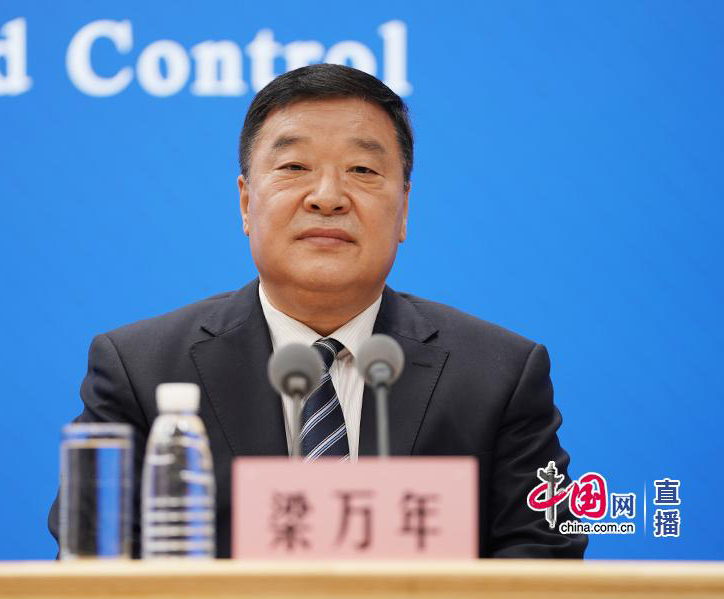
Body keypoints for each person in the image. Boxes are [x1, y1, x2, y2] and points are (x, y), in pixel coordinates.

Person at [48, 64, 587, 558]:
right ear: (245, 202)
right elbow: (91, 569)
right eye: (294, 166)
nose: (327, 196)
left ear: (404, 208)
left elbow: (546, 561)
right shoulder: (141, 370)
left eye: (362, 169)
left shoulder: (499, 375)